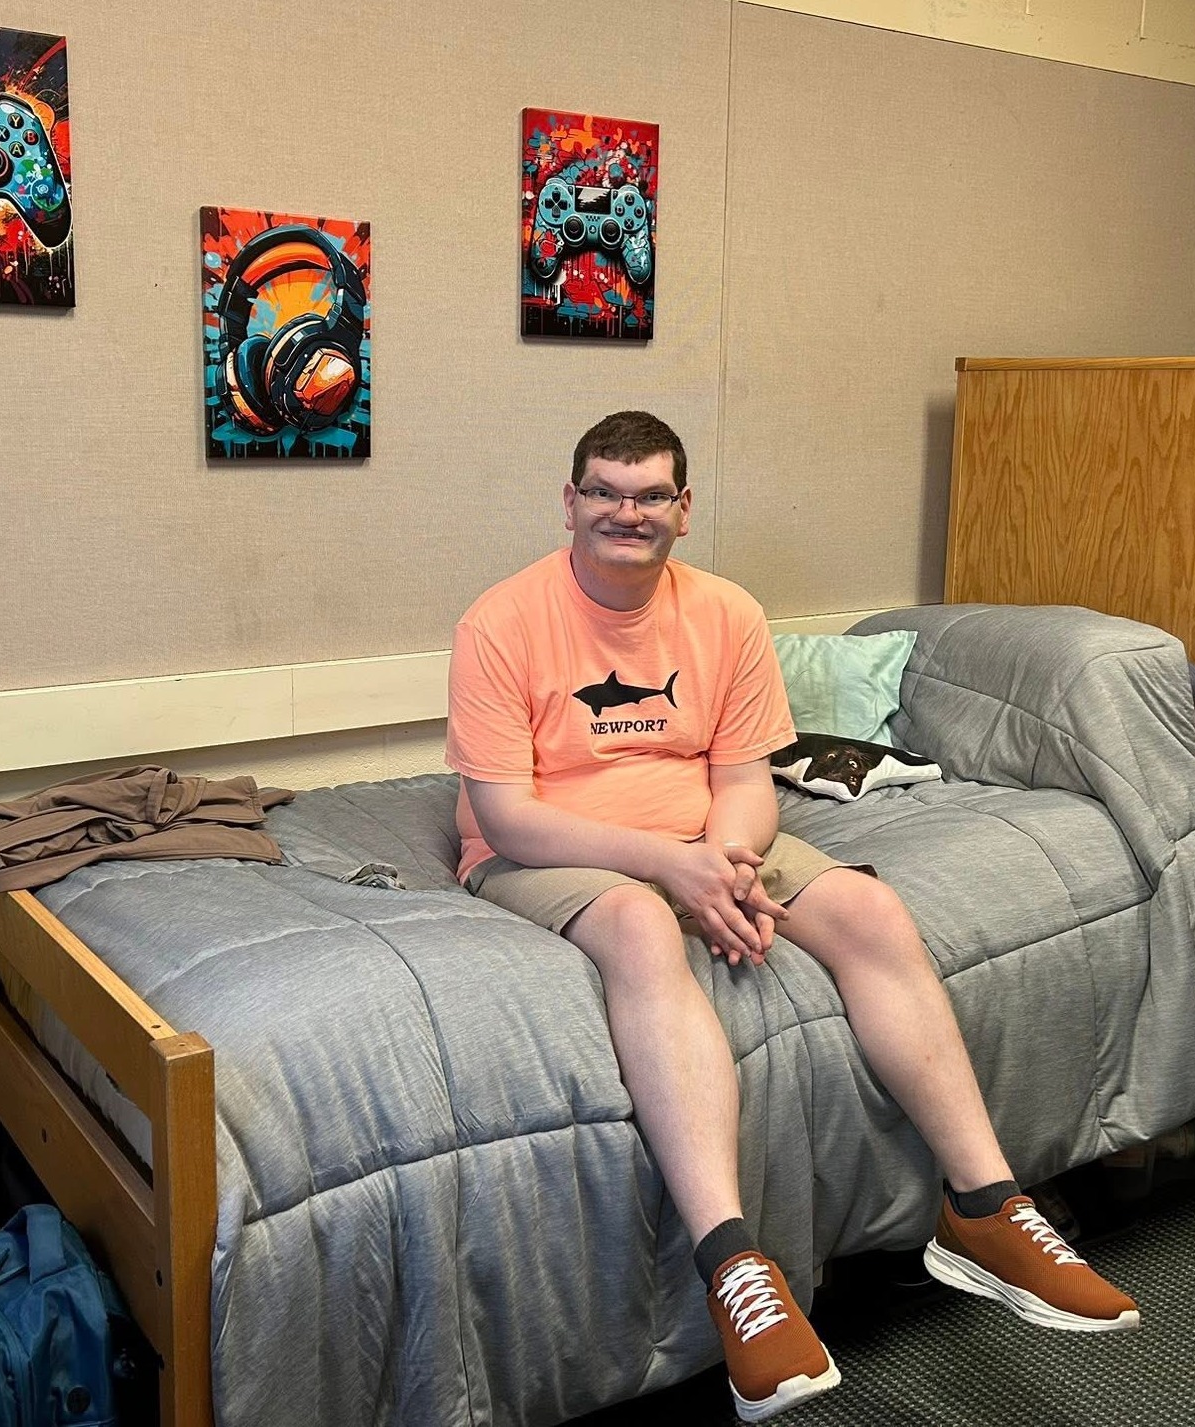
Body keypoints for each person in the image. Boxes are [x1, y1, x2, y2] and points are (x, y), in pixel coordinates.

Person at [445, 411, 1139, 1423]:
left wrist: (722, 863)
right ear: (570, 502)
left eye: (648, 495)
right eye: (603, 490)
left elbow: (744, 777)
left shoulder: (725, 614)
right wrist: (672, 873)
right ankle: (734, 1264)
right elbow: (509, 814)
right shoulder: (501, 622)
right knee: (641, 931)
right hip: (550, 846)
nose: (624, 511)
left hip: (705, 834)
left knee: (865, 904)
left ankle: (985, 1205)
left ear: (683, 509)